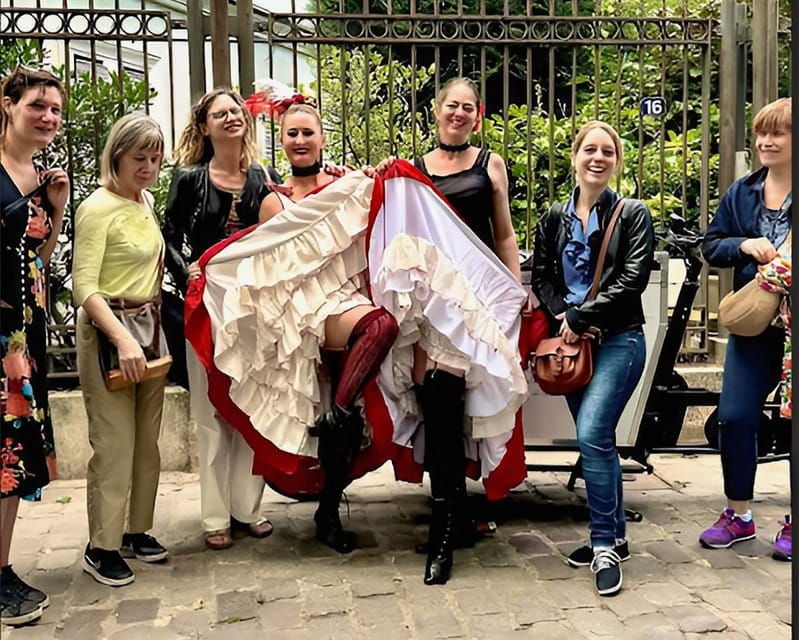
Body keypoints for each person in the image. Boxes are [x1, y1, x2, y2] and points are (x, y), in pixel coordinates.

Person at [374, 76, 523, 585]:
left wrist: (514, 295)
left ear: (477, 116)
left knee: (459, 403)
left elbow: (503, 234)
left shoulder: (491, 164)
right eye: (450, 106)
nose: (458, 114)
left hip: (478, 302)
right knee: (437, 401)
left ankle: (452, 519)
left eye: (467, 108)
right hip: (432, 309)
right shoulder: (412, 172)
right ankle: (447, 523)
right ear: (436, 112)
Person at [531, 120, 655, 597]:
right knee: (596, 442)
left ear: (616, 161)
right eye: (590, 149)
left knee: (591, 435)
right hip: (572, 349)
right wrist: (562, 312)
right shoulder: (553, 216)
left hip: (618, 340)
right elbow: (542, 274)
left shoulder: (632, 214)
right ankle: (616, 537)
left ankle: (603, 543)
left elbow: (633, 279)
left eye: (607, 151)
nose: (597, 158)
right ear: (575, 157)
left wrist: (581, 316)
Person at [162, 89, 275, 551]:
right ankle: (214, 516)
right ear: (205, 126)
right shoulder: (189, 177)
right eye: (219, 113)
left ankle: (247, 508)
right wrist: (183, 267)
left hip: (251, 307)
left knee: (249, 404)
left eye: (236, 111)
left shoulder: (263, 178)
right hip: (203, 306)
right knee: (211, 412)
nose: (231, 118)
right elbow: (166, 234)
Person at [73, 113, 170, 587]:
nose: (148, 167)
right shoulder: (96, 208)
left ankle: (136, 529)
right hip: (110, 334)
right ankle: (101, 544)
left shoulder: (145, 201)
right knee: (113, 444)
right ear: (117, 156)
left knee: (145, 441)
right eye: (139, 157)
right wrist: (121, 337)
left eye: (155, 157)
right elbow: (83, 288)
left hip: (147, 328)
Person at [699, 97, 792, 562]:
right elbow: (711, 246)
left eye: (778, 133)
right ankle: (738, 514)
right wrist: (744, 244)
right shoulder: (743, 192)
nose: (766, 141)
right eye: (762, 133)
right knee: (735, 415)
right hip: (756, 322)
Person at [0, 65, 69, 626]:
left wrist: (57, 207)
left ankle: (2, 569)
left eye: (55, 110)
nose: (47, 117)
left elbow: (38, 264)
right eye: (36, 106)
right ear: (8, 104)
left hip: (28, 335)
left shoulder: (40, 176)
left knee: (16, 459)